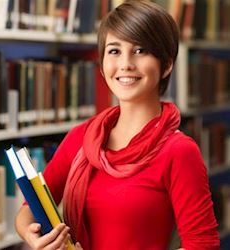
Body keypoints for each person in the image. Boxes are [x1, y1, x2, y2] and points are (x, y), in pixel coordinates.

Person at [15, 1, 220, 249]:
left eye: (140, 50)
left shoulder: (179, 151)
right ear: (102, 65)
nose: (125, 64)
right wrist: (34, 237)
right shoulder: (81, 137)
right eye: (114, 51)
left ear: (166, 65)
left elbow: (203, 245)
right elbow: (30, 210)